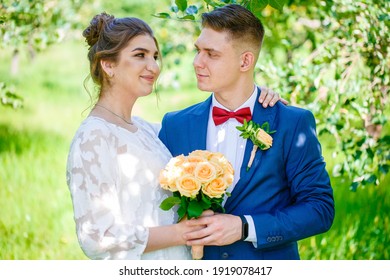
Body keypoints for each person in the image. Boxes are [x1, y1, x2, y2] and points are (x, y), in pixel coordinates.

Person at [66, 12, 283, 260]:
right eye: (140, 55)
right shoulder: (93, 137)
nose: (154, 67)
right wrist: (182, 234)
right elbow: (97, 237)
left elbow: (212, 127)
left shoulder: (148, 130)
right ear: (108, 64)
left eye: (155, 56)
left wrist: (260, 100)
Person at [158, 4, 335, 260]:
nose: (198, 62)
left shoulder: (291, 123)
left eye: (211, 54)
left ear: (245, 60)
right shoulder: (175, 124)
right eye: (198, 51)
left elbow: (319, 210)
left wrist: (246, 227)